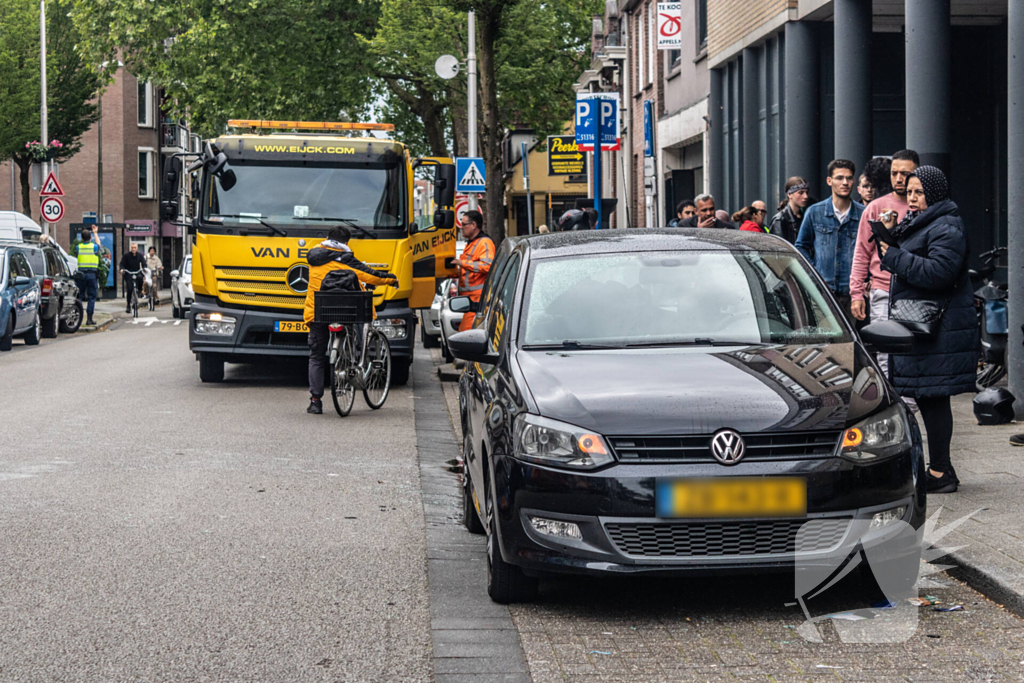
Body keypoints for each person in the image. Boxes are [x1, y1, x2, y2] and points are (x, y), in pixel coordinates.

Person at [877, 166, 977, 493]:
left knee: (933, 399)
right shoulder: (923, 222)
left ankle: (942, 472)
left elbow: (938, 272)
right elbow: (909, 255)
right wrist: (888, 233)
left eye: (919, 192)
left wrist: (893, 256)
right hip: (926, 327)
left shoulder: (947, 225)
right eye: (910, 192)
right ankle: (938, 469)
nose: (913, 198)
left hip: (939, 329)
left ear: (934, 193)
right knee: (926, 396)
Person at [303, 226, 397, 414]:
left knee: (316, 356)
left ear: (327, 238)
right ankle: (352, 363)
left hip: (317, 312)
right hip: (345, 311)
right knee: (354, 328)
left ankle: (315, 401)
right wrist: (390, 279)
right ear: (346, 242)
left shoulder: (314, 257)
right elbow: (371, 275)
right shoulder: (347, 259)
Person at [849, 150, 919, 349]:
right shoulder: (876, 207)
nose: (898, 178)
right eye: (894, 173)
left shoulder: (923, 206)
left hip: (915, 289)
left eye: (904, 174)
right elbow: (862, 252)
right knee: (884, 352)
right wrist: (856, 294)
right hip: (882, 289)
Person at [795, 159, 864, 314]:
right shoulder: (814, 212)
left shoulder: (863, 214)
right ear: (829, 181)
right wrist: (814, 272)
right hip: (823, 291)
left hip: (853, 294)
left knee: (853, 337)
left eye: (849, 178)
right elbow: (801, 246)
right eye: (839, 178)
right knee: (824, 337)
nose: (845, 182)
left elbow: (871, 251)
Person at [456, 209, 496, 331]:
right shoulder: (472, 244)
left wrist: (461, 262)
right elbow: (468, 271)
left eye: (463, 224)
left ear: (473, 225)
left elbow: (487, 266)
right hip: (471, 302)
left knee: (466, 338)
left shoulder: (484, 243)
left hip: (478, 302)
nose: (461, 227)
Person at [768, 177, 811, 243]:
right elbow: (779, 248)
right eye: (801, 193)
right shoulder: (780, 220)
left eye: (806, 192)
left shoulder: (805, 216)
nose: (806, 196)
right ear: (789, 194)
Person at [71, 229, 100, 326]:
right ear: (90, 237)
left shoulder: (78, 247)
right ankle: (89, 319)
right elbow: (98, 244)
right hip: (92, 274)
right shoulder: (94, 247)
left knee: (79, 296)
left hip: (81, 275)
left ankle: (77, 319)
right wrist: (95, 233)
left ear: (82, 238)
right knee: (91, 297)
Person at [119, 242, 148, 313]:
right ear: (130, 248)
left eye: (135, 248)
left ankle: (140, 291)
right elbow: (122, 264)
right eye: (132, 248)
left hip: (137, 272)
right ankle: (128, 305)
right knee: (129, 289)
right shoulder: (126, 256)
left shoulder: (139, 255)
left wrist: (144, 268)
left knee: (141, 278)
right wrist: (122, 269)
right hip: (129, 273)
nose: (133, 249)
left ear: (137, 248)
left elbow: (143, 262)